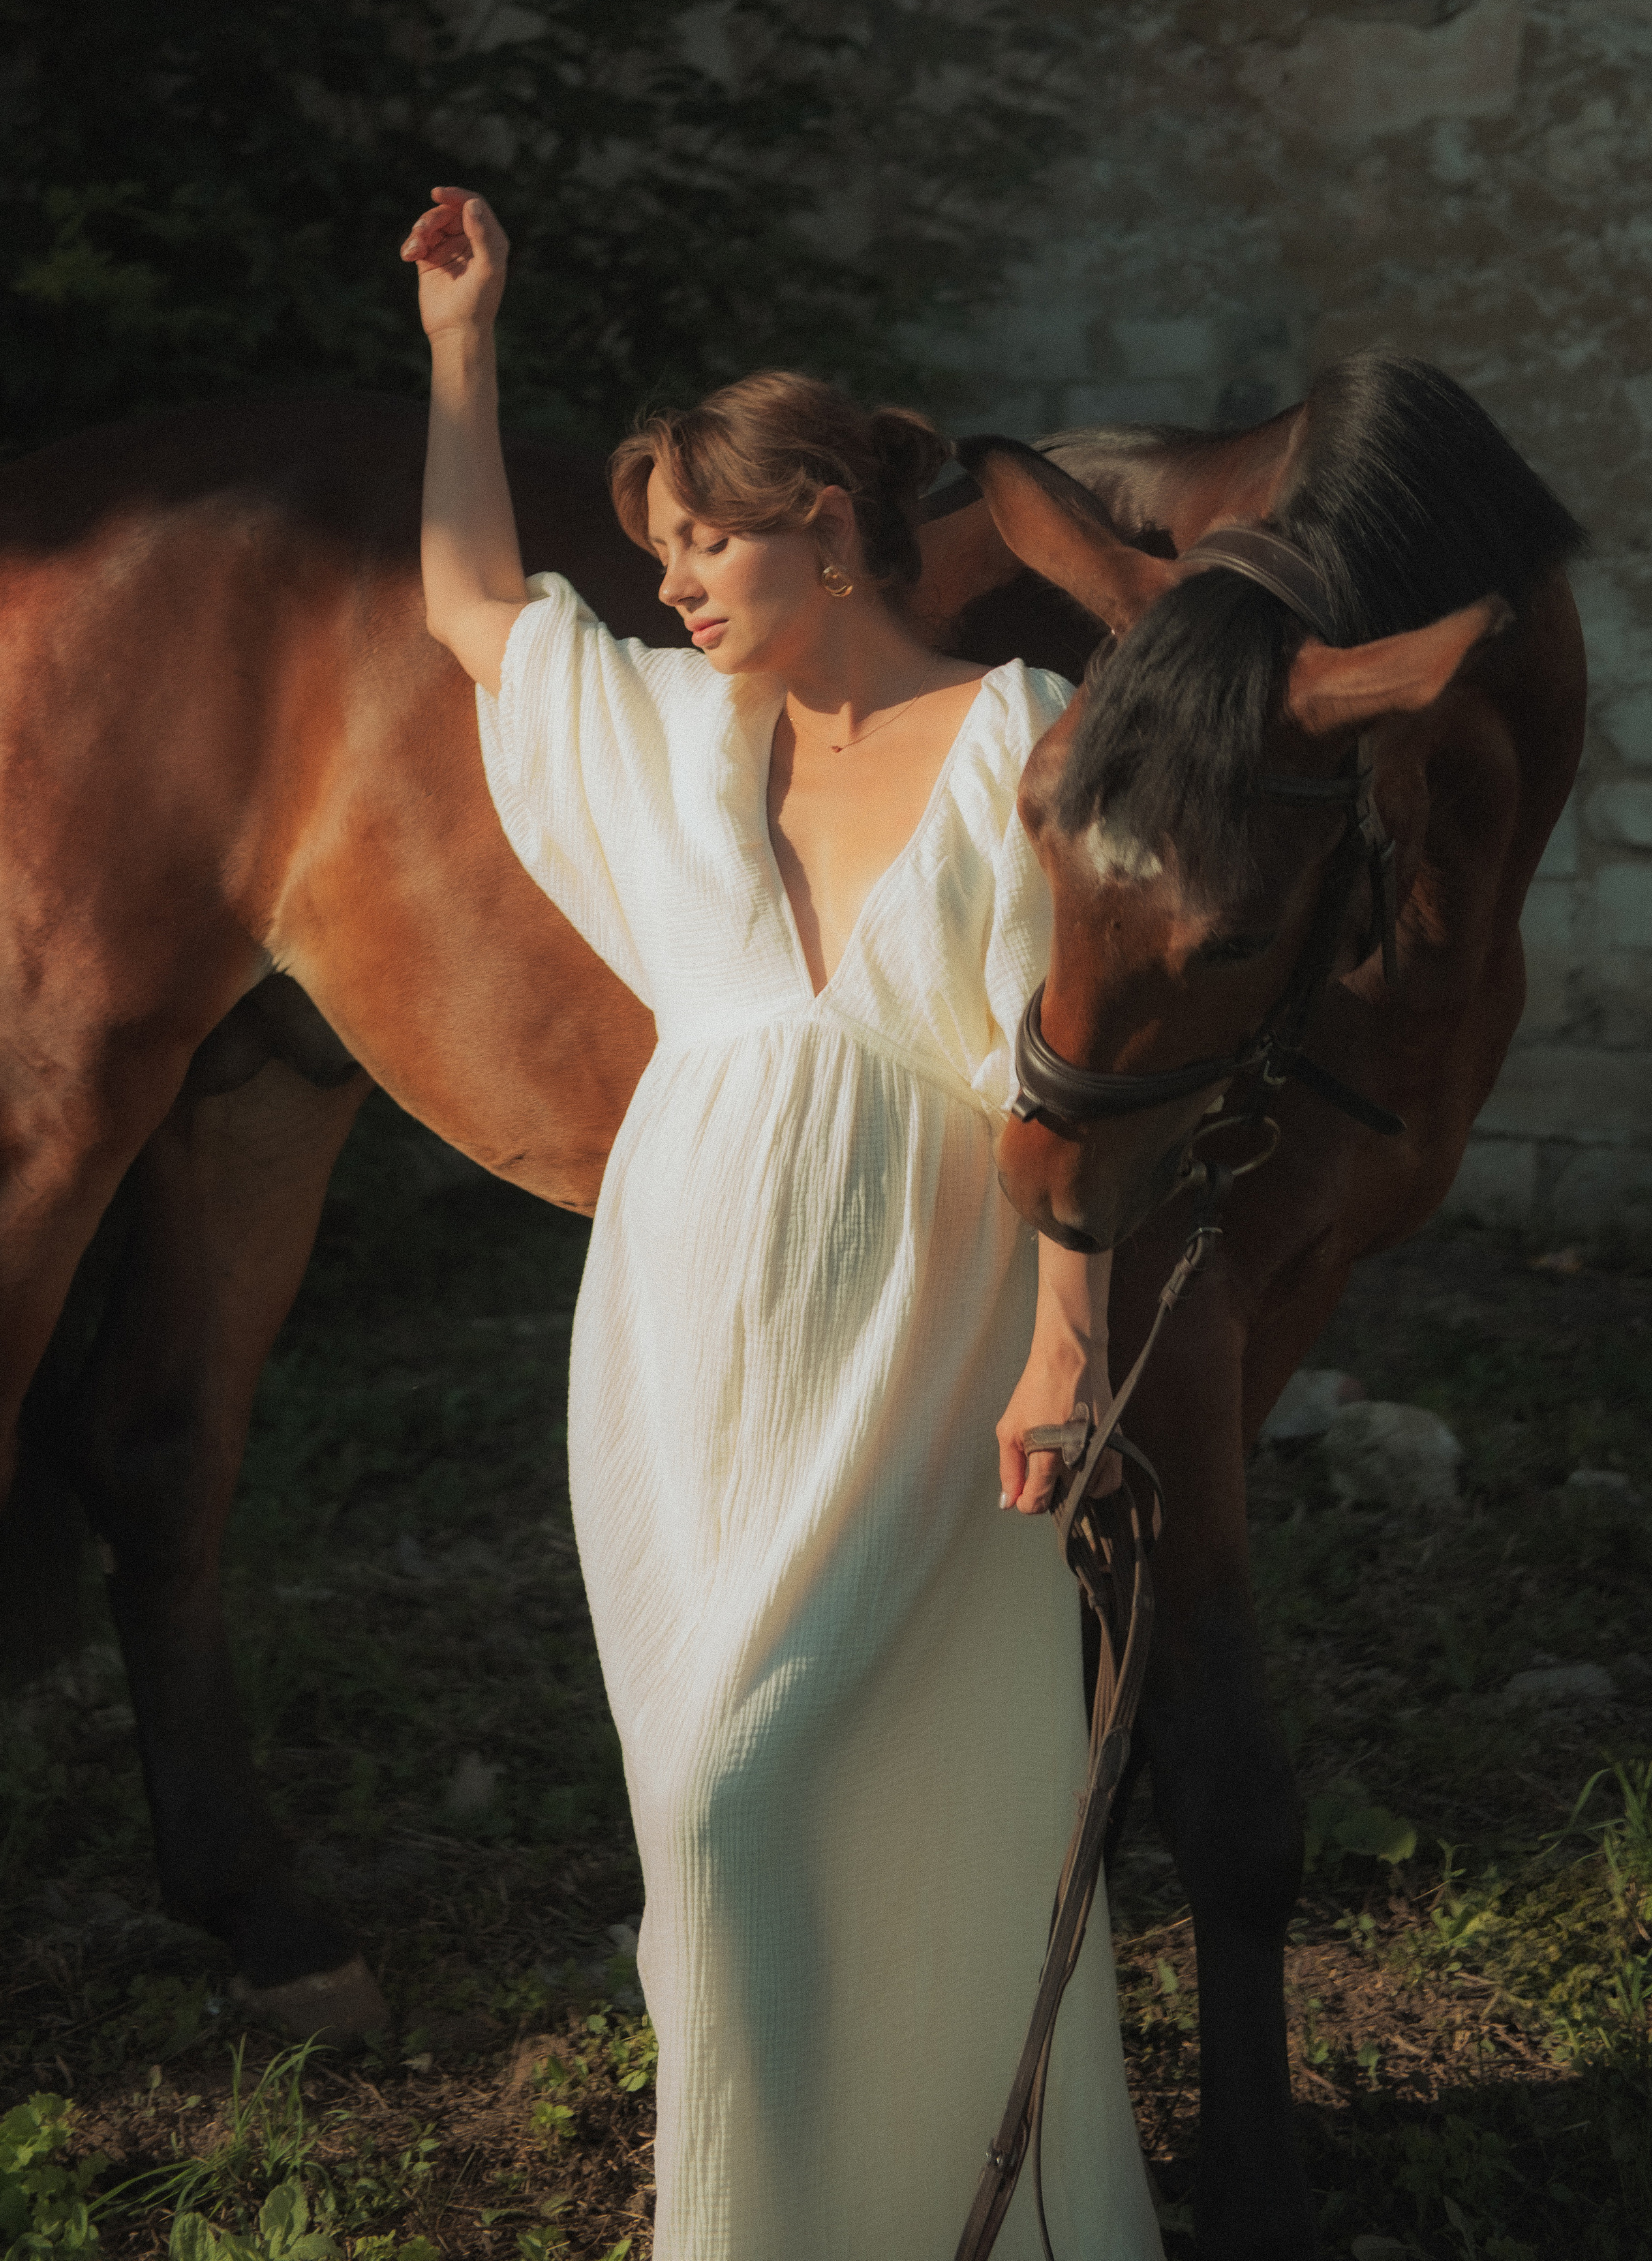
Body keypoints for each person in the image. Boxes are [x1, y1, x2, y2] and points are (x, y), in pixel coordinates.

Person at [402, 183, 1160, 2261]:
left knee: (779, 1793)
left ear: (829, 519)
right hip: (681, 1341)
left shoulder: (1021, 743)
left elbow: (1068, 1073)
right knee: (706, 1816)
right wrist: (467, 351)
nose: (674, 586)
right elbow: (478, 613)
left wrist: (1071, 1351)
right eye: (657, 553)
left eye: (704, 541)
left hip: (925, 1340)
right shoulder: (669, 736)